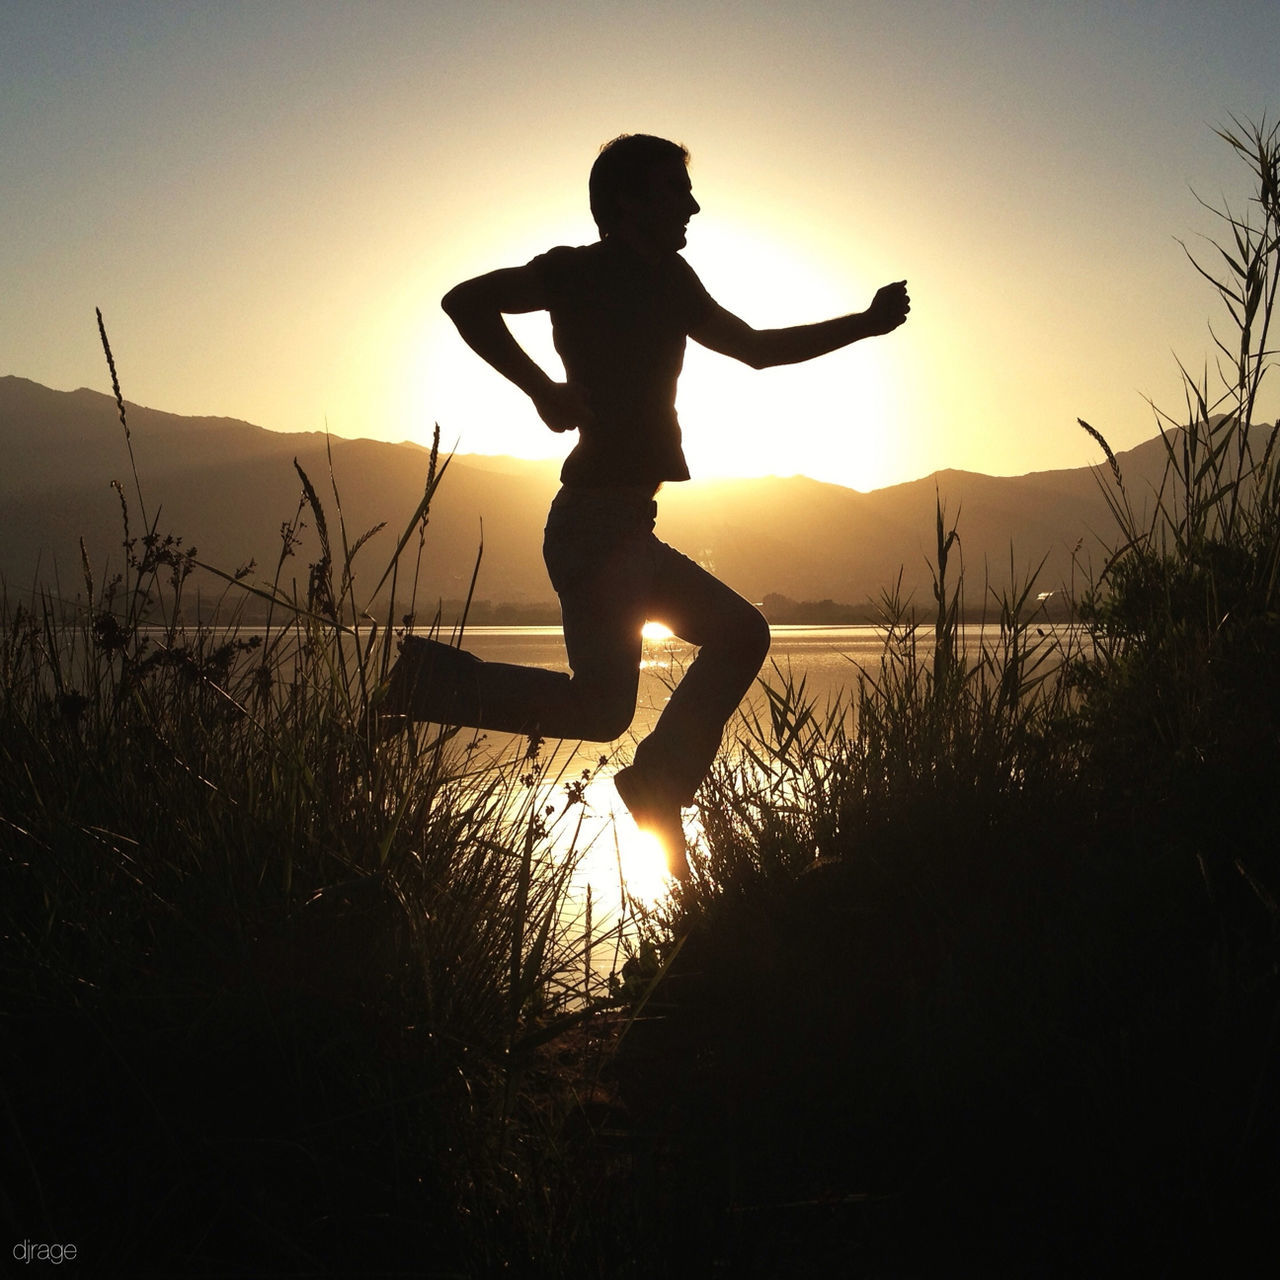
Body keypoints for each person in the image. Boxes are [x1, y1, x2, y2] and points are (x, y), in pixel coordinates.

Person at [381, 134, 910, 878]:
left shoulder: (672, 281)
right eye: (674, 190)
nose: (692, 204)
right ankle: (437, 688)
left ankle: (647, 776)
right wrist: (542, 390)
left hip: (626, 525)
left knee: (717, 647)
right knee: (622, 700)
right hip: (595, 528)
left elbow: (755, 349)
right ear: (627, 202)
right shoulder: (576, 271)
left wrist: (864, 323)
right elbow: (464, 301)